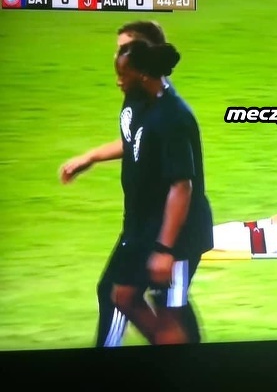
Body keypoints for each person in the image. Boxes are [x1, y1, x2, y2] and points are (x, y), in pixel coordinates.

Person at [61, 35, 213, 345]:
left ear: (142, 74)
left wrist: (165, 250)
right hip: (142, 226)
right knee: (122, 295)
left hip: (178, 234)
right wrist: (90, 157)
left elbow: (182, 186)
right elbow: (135, 140)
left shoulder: (174, 117)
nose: (118, 81)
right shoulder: (137, 98)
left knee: (169, 310)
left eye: (123, 74)